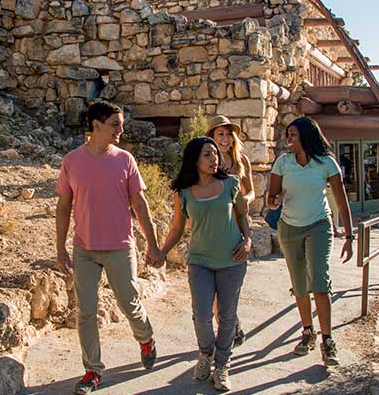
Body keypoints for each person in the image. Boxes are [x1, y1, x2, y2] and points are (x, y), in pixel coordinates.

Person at [55, 101, 163, 395]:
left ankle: (146, 338)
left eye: (121, 125)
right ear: (96, 125)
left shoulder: (125, 160)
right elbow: (63, 207)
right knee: (86, 312)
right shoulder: (71, 161)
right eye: (115, 124)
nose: (121, 130)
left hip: (119, 247)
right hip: (84, 249)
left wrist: (153, 245)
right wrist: (60, 248)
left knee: (129, 303)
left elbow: (140, 205)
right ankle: (92, 371)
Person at [157, 136, 252, 391]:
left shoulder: (231, 183)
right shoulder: (184, 192)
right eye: (207, 154)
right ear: (195, 160)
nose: (214, 159)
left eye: (215, 154)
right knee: (201, 315)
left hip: (233, 260)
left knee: (227, 315)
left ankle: (222, 366)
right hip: (199, 262)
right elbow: (177, 228)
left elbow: (243, 215)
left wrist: (248, 241)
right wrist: (162, 251)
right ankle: (205, 354)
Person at [267, 117, 354, 366]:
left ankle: (327, 340)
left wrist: (349, 235)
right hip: (289, 228)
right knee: (300, 284)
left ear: (306, 135)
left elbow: (341, 200)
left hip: (319, 225)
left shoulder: (326, 163)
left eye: (293, 134)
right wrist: (275, 201)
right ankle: (308, 332)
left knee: (318, 280)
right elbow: (271, 199)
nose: (289, 139)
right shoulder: (283, 162)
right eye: (288, 135)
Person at [206, 115, 253, 347]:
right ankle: (229, 326)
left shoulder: (241, 161)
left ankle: (228, 326)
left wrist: (245, 198)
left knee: (229, 285)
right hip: (215, 226)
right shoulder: (207, 162)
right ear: (212, 137)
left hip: (237, 224)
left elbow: (251, 191)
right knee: (214, 289)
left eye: (227, 134)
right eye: (220, 134)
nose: (224, 139)